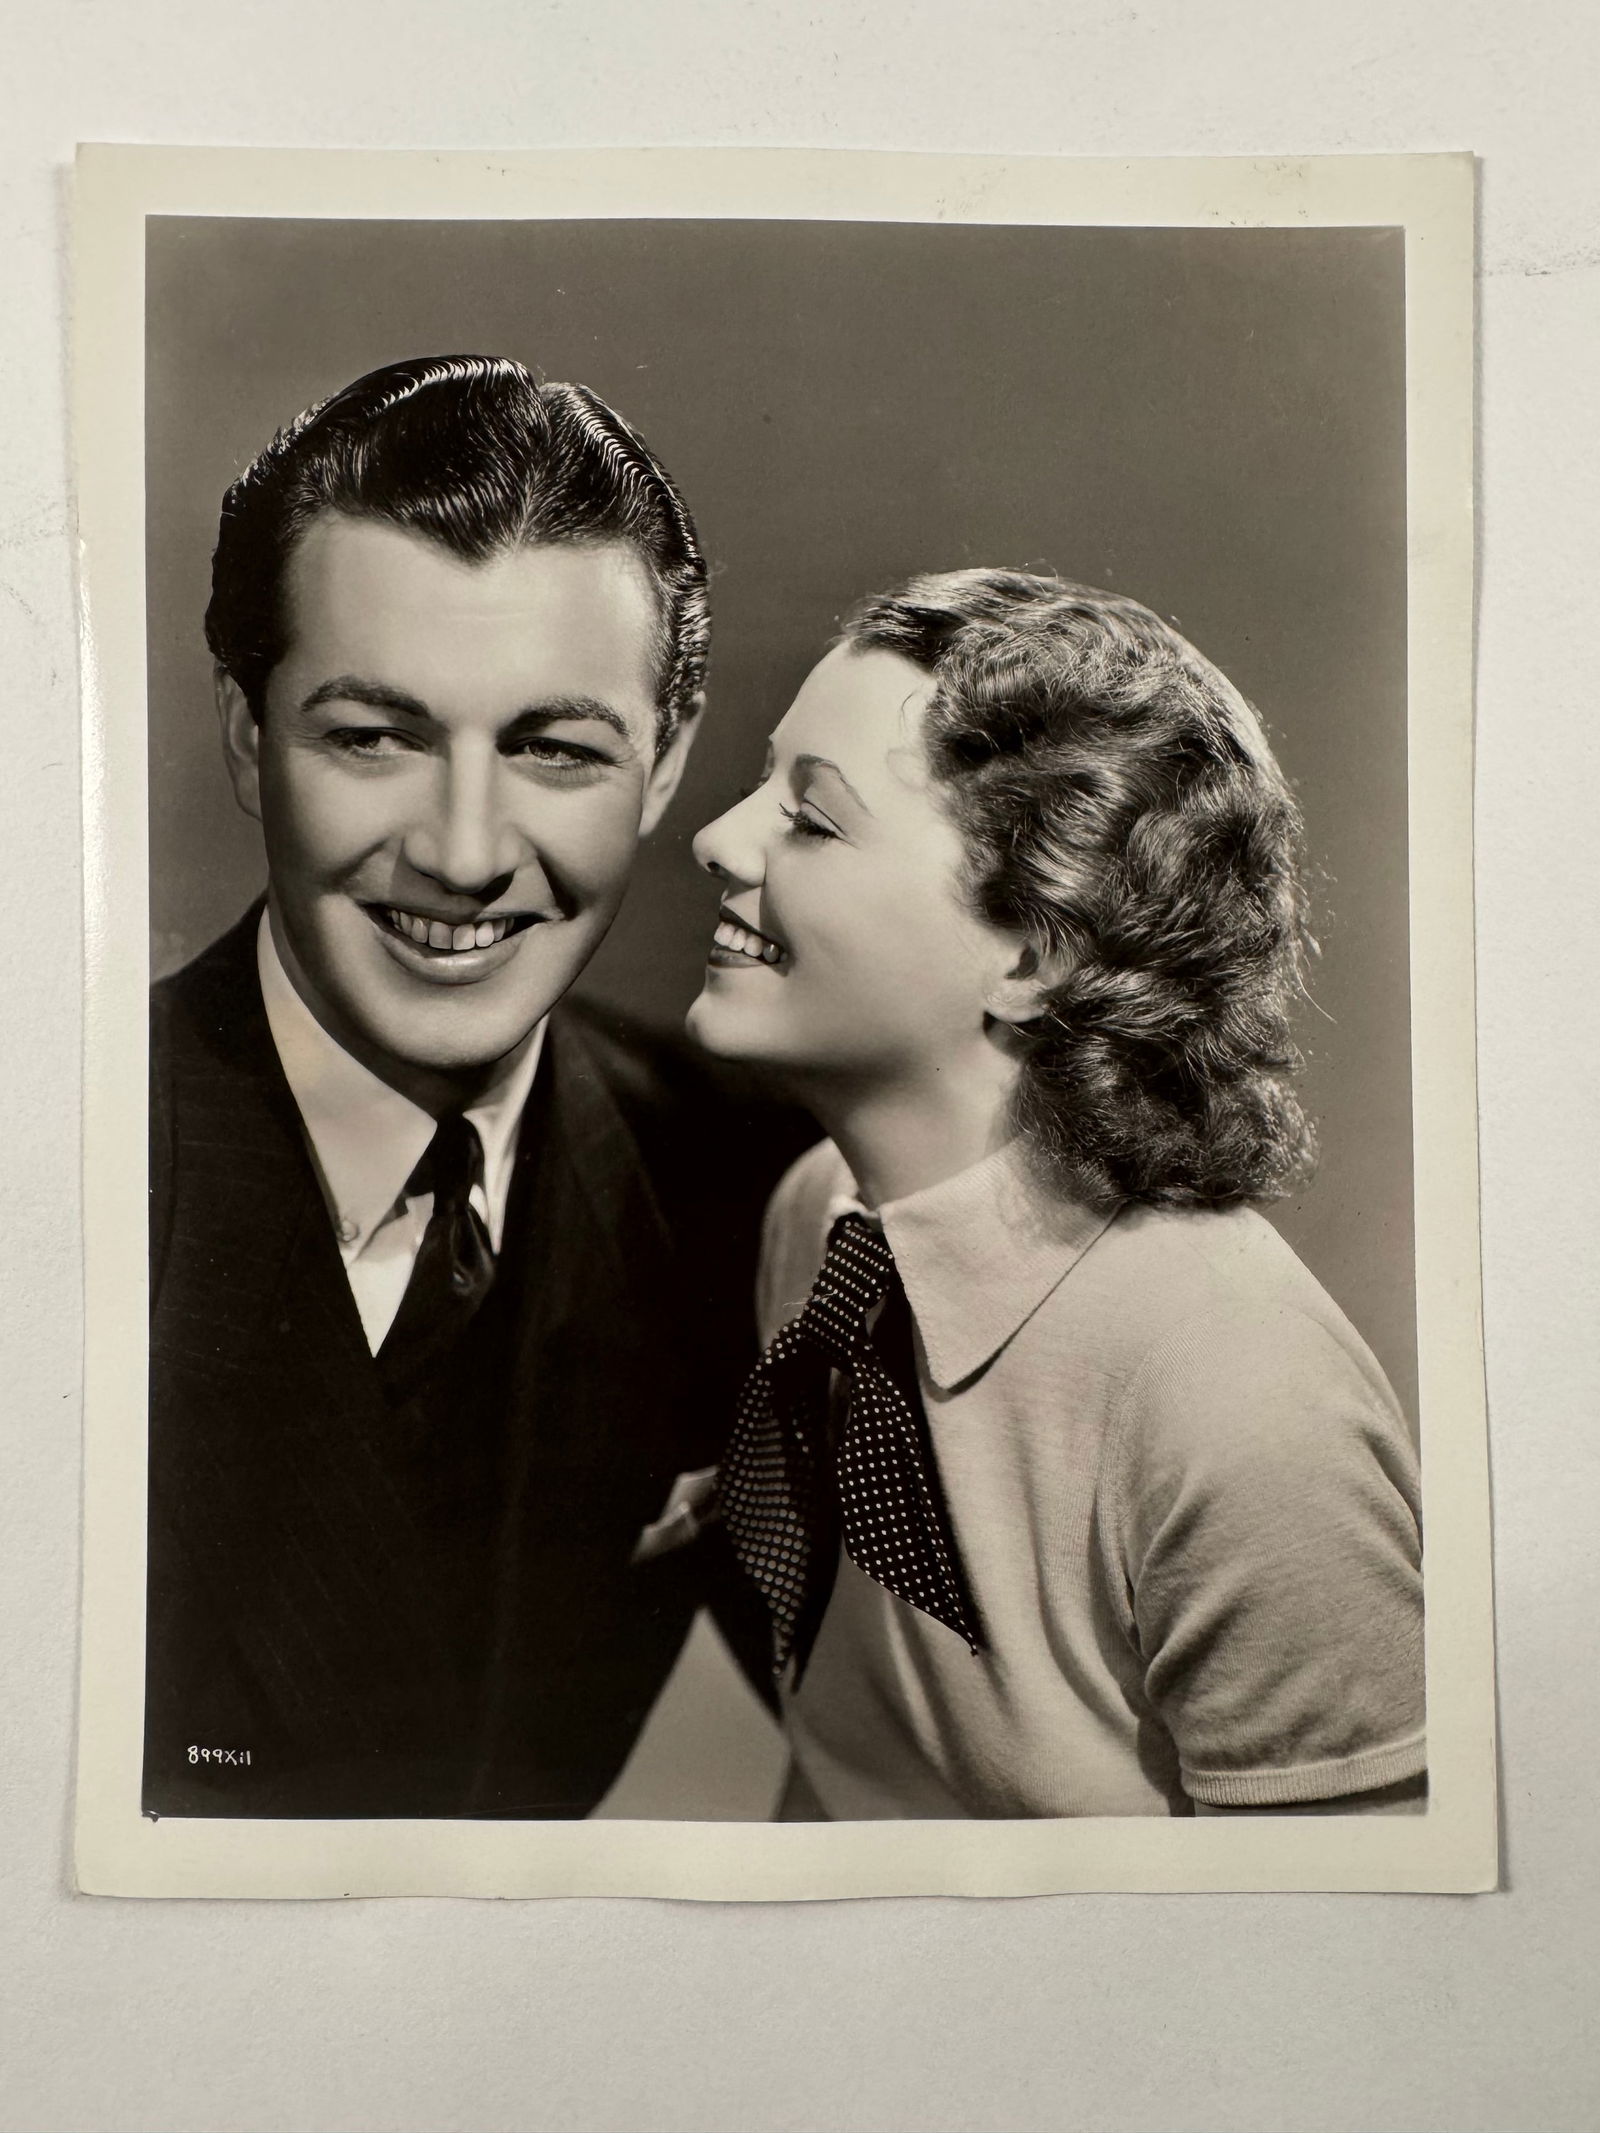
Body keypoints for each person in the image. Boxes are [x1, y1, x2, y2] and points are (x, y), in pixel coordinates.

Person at [146, 354, 808, 1819]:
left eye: (554, 748)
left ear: (665, 761)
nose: (461, 851)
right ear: (250, 736)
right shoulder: (61, 1175)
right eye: (373, 736)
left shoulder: (754, 1185)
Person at [687, 569, 1425, 1819]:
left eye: (811, 819)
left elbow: (1348, 1958)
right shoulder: (821, 1221)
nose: (716, 838)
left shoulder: (1241, 1399)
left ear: (1032, 951)